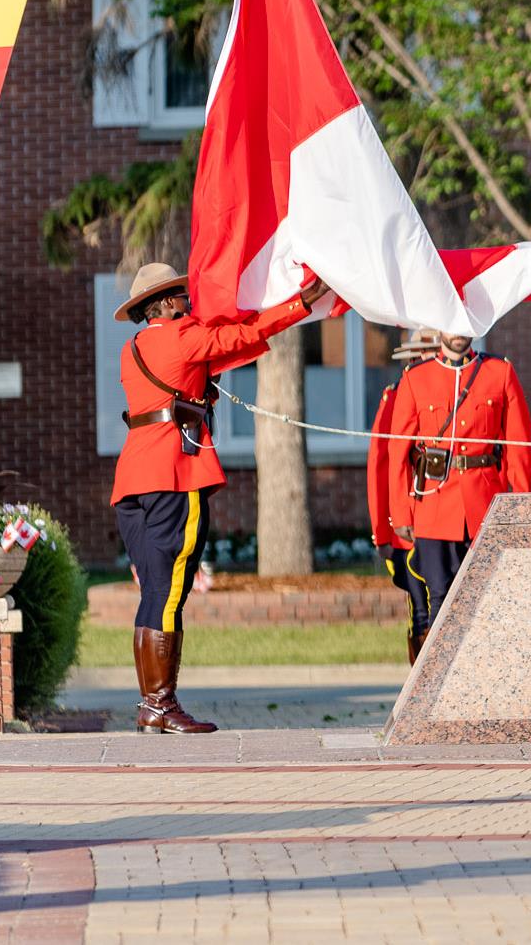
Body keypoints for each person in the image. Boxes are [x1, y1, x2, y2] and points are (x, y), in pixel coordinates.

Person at [111, 261, 329, 734]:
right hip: (173, 476)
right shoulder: (182, 337)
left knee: (154, 592)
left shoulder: (133, 348)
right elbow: (242, 336)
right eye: (183, 298)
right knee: (169, 593)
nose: (190, 304)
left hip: (133, 481)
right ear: (166, 303)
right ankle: (160, 705)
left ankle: (151, 706)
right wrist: (301, 304)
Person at [386, 332, 531, 660]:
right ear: (440, 329)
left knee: (488, 598)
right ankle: (440, 682)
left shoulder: (500, 372)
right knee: (440, 598)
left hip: (485, 504)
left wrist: (521, 505)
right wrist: (401, 512)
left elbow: (518, 446)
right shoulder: (416, 378)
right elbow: (397, 451)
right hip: (435, 504)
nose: (458, 332)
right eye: (451, 324)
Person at [367, 327, 441, 661]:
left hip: (447, 514)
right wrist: (384, 529)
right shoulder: (396, 394)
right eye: (423, 354)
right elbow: (382, 464)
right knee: (421, 613)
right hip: (410, 520)